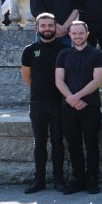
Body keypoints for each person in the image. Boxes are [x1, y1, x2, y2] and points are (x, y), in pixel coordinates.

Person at [55, 21, 102, 194]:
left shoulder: (97, 54)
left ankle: (92, 180)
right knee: (73, 145)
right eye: (74, 33)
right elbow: (59, 80)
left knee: (92, 144)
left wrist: (76, 97)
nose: (78, 36)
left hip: (90, 106)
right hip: (68, 107)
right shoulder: (63, 54)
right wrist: (71, 99)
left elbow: (97, 80)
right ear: (70, 35)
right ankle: (78, 179)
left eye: (81, 33)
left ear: (87, 34)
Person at [21, 13, 69, 193]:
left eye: (50, 25)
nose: (47, 29)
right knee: (39, 142)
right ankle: (39, 180)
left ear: (56, 27)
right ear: (37, 28)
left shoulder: (64, 50)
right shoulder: (29, 50)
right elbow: (28, 78)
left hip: (59, 103)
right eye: (43, 26)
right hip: (37, 103)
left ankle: (59, 179)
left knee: (57, 142)